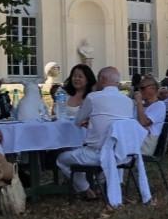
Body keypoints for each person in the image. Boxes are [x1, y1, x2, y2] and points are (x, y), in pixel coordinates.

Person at [56, 66, 134, 199]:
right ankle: (102, 184)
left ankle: (86, 188)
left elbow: (77, 121)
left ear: (102, 80)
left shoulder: (93, 98)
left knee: (61, 159)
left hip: (97, 154)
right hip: (122, 154)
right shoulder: (128, 101)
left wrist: (89, 121)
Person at [133, 74, 166, 156]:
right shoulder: (140, 106)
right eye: (139, 88)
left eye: (142, 88)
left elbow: (144, 122)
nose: (139, 91)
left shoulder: (159, 105)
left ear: (153, 88)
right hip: (136, 139)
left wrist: (139, 102)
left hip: (146, 143)